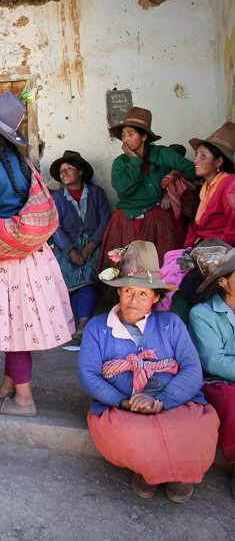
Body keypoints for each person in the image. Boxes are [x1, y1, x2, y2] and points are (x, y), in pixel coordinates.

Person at [0, 92, 74, 417]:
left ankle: (24, 400)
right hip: (31, 259)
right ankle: (8, 389)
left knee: (17, 334)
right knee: (17, 329)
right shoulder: (21, 164)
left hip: (3, 265)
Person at [79, 241, 218, 503]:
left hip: (175, 401)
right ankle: (146, 470)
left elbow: (191, 368)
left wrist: (160, 400)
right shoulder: (98, 327)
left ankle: (181, 474)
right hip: (121, 406)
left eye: (143, 294)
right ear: (118, 293)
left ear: (156, 298)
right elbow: (88, 374)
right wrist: (124, 401)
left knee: (197, 427)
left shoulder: (172, 324)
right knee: (135, 433)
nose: (134, 299)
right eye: (128, 291)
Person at [98, 107, 198, 274]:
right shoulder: (121, 162)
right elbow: (124, 188)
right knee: (128, 270)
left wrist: (170, 191)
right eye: (123, 135)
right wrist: (135, 161)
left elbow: (192, 171)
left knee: (161, 269)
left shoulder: (163, 154)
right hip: (128, 221)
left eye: (131, 134)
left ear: (144, 137)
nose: (126, 140)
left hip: (161, 220)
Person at [158, 122, 235, 324]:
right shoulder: (204, 188)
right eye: (197, 155)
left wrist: (206, 252)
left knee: (183, 294)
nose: (196, 161)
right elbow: (194, 228)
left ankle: (181, 347)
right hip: (201, 250)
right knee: (168, 279)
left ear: (219, 161)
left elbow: (233, 228)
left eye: (203, 156)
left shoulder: (228, 183)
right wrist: (188, 251)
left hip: (222, 252)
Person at [188, 240, 235, 500]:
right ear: (223, 282)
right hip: (218, 382)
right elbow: (214, 362)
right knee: (232, 399)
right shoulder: (202, 314)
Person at [49, 151, 112, 341]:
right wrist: (71, 250)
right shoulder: (58, 198)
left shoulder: (96, 193)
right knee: (71, 278)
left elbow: (105, 220)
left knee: (90, 275)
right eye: (61, 171)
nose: (64, 174)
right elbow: (55, 227)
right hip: (67, 246)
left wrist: (91, 246)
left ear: (81, 171)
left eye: (69, 169)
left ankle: (83, 324)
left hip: (94, 243)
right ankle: (81, 324)